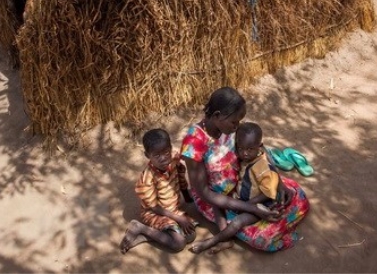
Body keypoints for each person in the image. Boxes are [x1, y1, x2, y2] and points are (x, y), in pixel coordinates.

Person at [181, 87, 310, 253]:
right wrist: (252, 208)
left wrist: (279, 184)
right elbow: (206, 193)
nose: (237, 126)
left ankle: (246, 220)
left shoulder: (229, 127)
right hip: (218, 200)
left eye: (238, 121)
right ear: (217, 116)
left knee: (294, 194)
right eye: (234, 122)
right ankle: (224, 236)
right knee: (262, 239)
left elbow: (260, 151)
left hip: (245, 183)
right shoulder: (194, 144)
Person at [189, 121, 294, 254]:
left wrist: (249, 205)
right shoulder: (246, 157)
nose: (244, 153)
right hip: (242, 198)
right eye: (241, 148)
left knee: (237, 222)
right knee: (216, 199)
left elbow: (268, 193)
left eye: (250, 149)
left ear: (259, 147)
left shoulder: (262, 167)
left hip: (262, 204)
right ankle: (225, 240)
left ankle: (212, 241)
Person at [120, 128, 197, 254]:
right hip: (155, 213)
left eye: (167, 152)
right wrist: (178, 218)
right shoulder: (147, 179)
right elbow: (154, 208)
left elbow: (181, 180)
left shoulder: (174, 161)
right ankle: (141, 227)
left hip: (173, 208)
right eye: (157, 155)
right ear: (147, 155)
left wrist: (188, 200)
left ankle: (147, 236)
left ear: (170, 148)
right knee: (179, 243)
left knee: (190, 236)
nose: (164, 158)